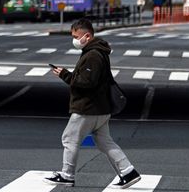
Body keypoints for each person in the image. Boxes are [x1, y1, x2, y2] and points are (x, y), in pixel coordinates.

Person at [45, 19, 142, 189]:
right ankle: (128, 171)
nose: (74, 40)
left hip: (87, 107)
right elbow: (87, 79)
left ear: (87, 36)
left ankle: (67, 175)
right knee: (105, 142)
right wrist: (65, 74)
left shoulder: (93, 55)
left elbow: (86, 82)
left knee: (69, 139)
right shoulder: (97, 52)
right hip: (100, 108)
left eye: (76, 37)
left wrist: (66, 75)